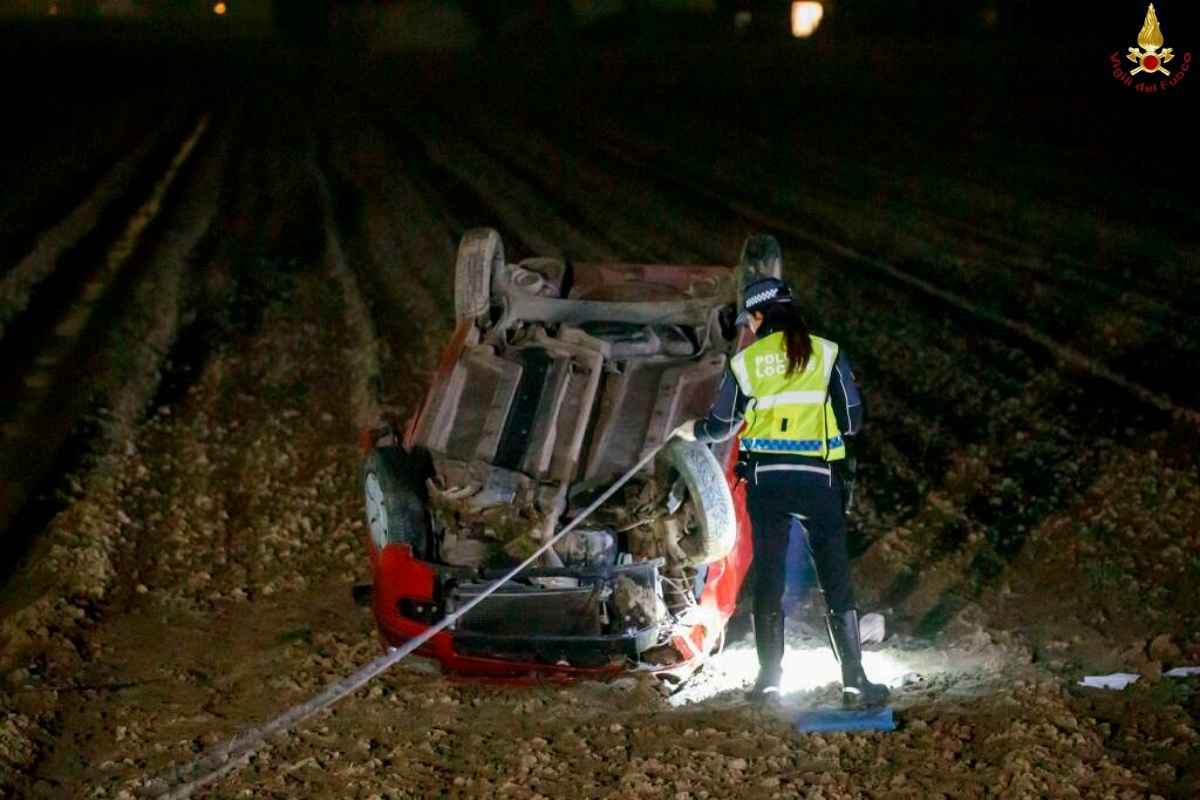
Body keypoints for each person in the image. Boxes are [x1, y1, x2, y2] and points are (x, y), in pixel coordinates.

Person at [673, 275, 888, 708]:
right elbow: (852, 422)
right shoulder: (827, 354)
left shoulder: (747, 364)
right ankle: (854, 683)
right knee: (835, 581)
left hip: (768, 485)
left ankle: (768, 683)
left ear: (757, 316)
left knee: (769, 579)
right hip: (819, 482)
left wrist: (687, 430)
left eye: (748, 323)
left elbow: (719, 427)